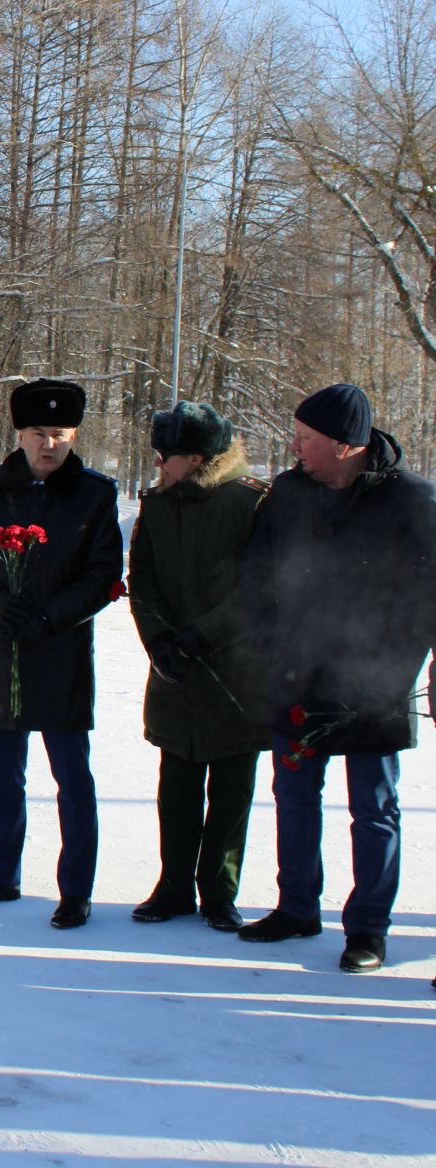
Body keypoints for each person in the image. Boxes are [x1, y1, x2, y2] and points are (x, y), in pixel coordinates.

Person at [235, 384, 436, 974]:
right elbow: (257, 578)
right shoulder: (289, 493)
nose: (293, 446)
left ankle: (369, 928)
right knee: (294, 797)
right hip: (297, 676)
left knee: (374, 810)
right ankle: (297, 906)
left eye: (305, 438)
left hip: (375, 681)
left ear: (347, 445)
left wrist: (402, 667)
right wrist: (272, 650)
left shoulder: (411, 503)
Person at [0, 378, 123, 929]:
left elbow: (103, 575)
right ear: (19, 434)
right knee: (2, 772)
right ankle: (3, 873)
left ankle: (76, 888)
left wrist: (51, 613)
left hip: (60, 650)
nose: (50, 444)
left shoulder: (95, 494)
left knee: (72, 776)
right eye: (39, 433)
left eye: (61, 434)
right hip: (2, 647)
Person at [126, 401, 268, 932]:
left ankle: (219, 890)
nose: (158, 465)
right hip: (174, 670)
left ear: (201, 457)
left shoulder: (252, 504)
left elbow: (261, 591)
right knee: (177, 785)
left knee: (232, 790)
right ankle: (173, 886)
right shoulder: (158, 506)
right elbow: (142, 579)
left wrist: (202, 636)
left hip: (236, 672)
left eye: (167, 456)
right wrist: (159, 638)